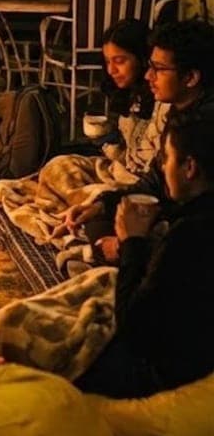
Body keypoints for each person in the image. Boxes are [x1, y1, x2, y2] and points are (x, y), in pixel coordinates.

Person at [75, 111, 214, 398]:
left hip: (176, 379)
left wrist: (132, 243)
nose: (163, 167)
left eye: (167, 159)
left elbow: (134, 331)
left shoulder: (189, 235)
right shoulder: (191, 218)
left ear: (189, 167)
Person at [0, 19, 156, 260]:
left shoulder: (162, 99)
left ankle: (80, 218)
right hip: (117, 168)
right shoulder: (129, 95)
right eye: (108, 61)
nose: (111, 70)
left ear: (142, 59)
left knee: (99, 200)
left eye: (120, 60)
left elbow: (152, 167)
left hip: (137, 182)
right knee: (58, 165)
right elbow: (126, 150)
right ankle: (80, 211)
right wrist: (108, 142)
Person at [62, 18, 214, 258]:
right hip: (176, 219)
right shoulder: (179, 109)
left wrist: (129, 244)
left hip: (195, 236)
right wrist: (103, 205)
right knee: (97, 221)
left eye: (159, 69)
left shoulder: (202, 128)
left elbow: (196, 217)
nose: (148, 76)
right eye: (149, 66)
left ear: (191, 78)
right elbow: (155, 179)